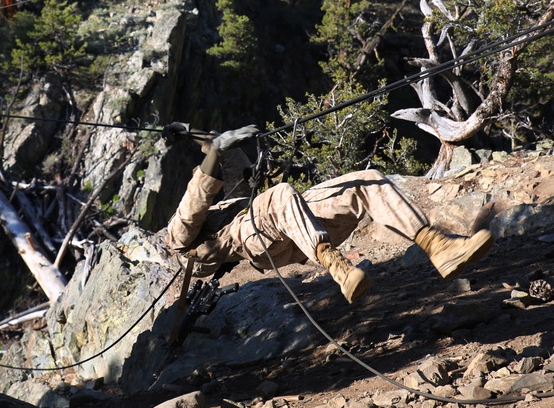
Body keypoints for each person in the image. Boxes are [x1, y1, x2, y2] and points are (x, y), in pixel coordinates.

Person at [162, 124, 493, 304]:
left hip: (290, 219)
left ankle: (439, 247)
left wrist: (189, 132)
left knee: (367, 180)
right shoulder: (182, 241)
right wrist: (216, 149)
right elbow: (197, 197)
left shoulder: (229, 206)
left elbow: (224, 159)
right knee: (280, 193)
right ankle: (340, 270)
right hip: (261, 237)